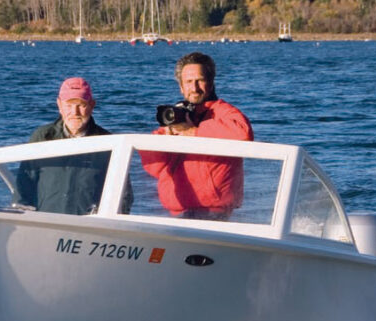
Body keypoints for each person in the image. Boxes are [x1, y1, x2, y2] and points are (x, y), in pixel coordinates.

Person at [140, 52, 254, 220]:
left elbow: (243, 133)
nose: (194, 88)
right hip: (178, 212)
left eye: (199, 80)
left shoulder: (223, 112)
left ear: (211, 82)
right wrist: (168, 135)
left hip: (215, 212)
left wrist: (194, 132)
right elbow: (153, 167)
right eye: (188, 82)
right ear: (181, 87)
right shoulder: (177, 117)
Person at [13, 77, 131, 214]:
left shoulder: (109, 143)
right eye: (69, 105)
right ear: (59, 105)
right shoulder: (42, 137)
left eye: (81, 105)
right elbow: (24, 184)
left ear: (92, 105)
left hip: (90, 227)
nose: (74, 112)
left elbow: (123, 193)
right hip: (46, 222)